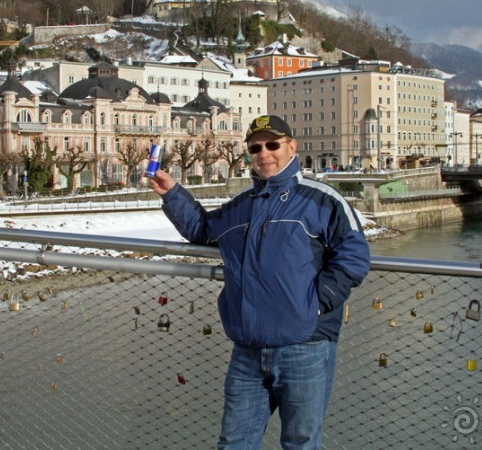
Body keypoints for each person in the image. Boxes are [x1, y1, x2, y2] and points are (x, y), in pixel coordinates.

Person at [150, 114, 370, 449]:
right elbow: (202, 229)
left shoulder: (322, 199)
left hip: (305, 344)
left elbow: (354, 257)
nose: (264, 153)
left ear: (291, 147)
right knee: (234, 443)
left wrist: (315, 304)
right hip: (248, 350)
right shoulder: (243, 205)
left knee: (300, 443)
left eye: (272, 144)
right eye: (255, 148)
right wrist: (172, 193)